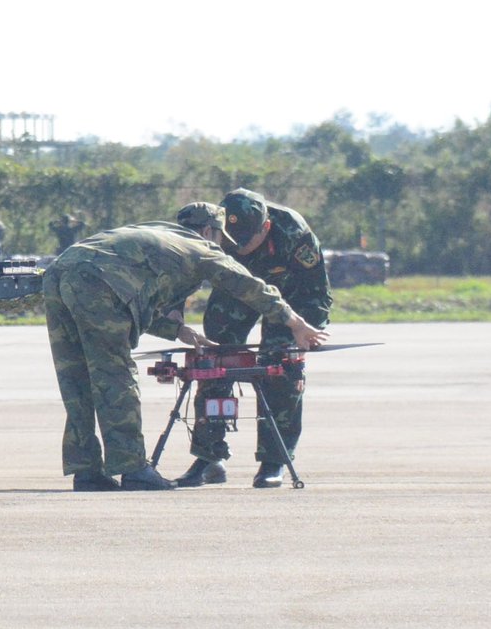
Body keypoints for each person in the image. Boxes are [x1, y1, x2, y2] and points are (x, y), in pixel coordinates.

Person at [43, 205, 327, 492]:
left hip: (60, 271)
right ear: (208, 231)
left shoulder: (161, 236)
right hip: (99, 279)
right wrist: (295, 322)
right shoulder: (201, 247)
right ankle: (133, 469)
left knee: (76, 379)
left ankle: (87, 471)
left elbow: (132, 300)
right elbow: (249, 286)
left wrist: (178, 331)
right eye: (221, 238)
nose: (222, 246)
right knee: (115, 377)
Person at [174, 189, 333, 489]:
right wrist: (175, 319)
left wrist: (307, 331)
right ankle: (209, 457)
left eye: (246, 241)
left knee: (281, 366)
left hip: (290, 297)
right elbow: (184, 275)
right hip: (235, 290)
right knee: (215, 360)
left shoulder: (294, 234)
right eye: (234, 241)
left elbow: (316, 292)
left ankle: (274, 460)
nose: (241, 247)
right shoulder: (212, 227)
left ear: (266, 227)